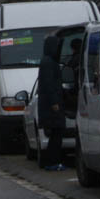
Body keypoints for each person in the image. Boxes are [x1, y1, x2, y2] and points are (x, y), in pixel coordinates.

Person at [38, 35, 66, 171]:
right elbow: (49, 84)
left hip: (48, 105)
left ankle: (49, 161)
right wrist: (55, 102)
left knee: (55, 134)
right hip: (51, 106)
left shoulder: (47, 61)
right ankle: (52, 162)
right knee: (57, 134)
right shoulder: (48, 63)